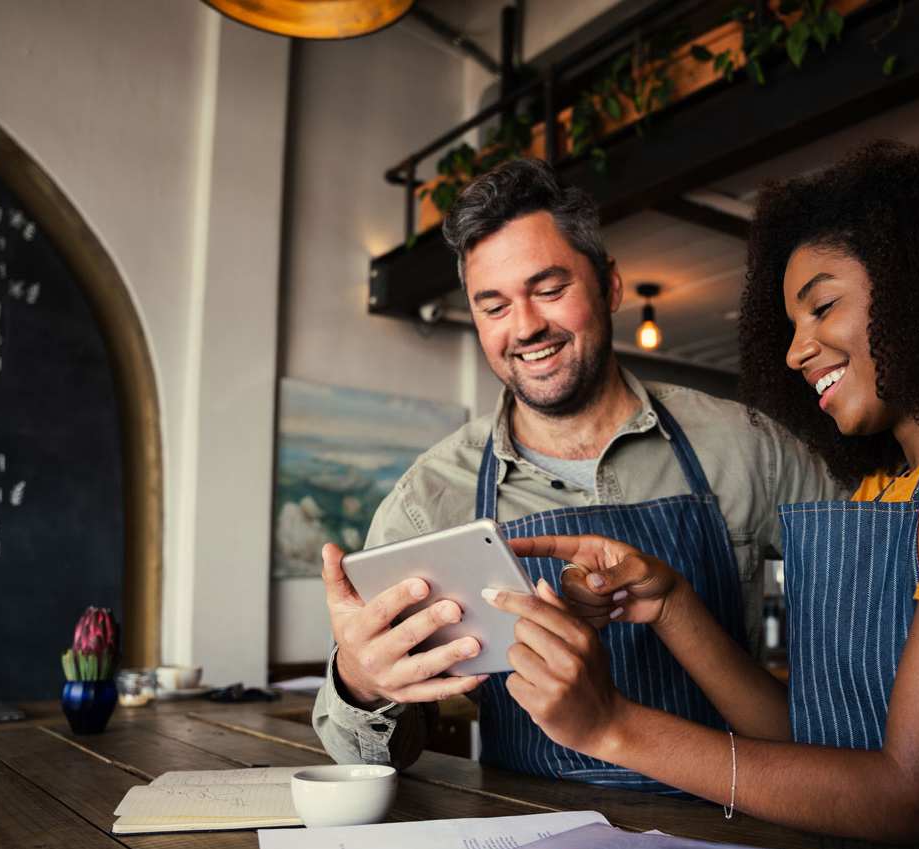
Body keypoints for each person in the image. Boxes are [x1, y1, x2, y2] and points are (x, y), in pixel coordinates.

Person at [486, 141, 919, 849]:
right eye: (791, 326)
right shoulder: (889, 488)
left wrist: (610, 727)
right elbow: (816, 746)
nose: (796, 351)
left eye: (822, 307)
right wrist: (671, 604)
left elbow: (911, 792)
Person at [312, 157, 844, 793]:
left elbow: (874, 623)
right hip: (527, 837)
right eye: (493, 306)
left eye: (550, 288)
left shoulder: (747, 446)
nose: (526, 326)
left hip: (746, 824)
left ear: (610, 285)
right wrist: (362, 683)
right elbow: (373, 762)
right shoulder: (431, 500)